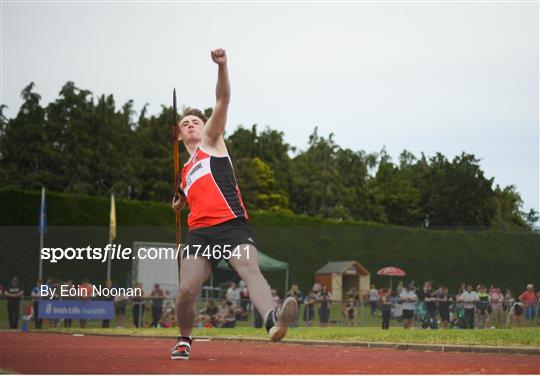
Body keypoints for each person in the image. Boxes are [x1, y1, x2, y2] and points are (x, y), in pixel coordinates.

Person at [170, 48, 298, 360]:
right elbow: (188, 195)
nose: (191, 125)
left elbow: (222, 101)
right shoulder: (183, 172)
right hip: (200, 234)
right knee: (186, 289)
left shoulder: (211, 142)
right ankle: (184, 338)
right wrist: (179, 203)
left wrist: (222, 67)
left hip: (231, 225)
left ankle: (272, 323)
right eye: (185, 122)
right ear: (177, 134)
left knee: (249, 268)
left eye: (196, 121)